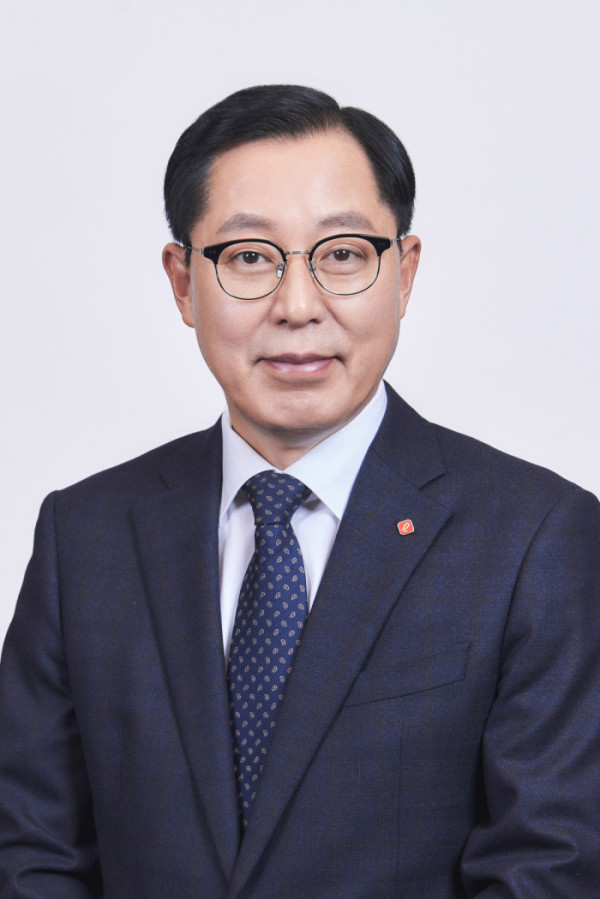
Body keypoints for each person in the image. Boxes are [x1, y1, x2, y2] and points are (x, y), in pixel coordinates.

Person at [0, 85, 599, 899]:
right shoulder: (85, 534)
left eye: (342, 254)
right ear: (183, 282)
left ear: (404, 273)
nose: (297, 306)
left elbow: (549, 866)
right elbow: (32, 853)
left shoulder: (537, 537)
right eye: (249, 257)